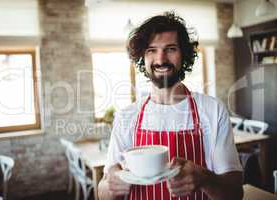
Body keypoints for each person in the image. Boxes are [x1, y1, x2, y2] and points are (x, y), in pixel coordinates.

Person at [98, 12, 243, 200]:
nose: (161, 59)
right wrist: (111, 186)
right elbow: (101, 192)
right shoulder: (127, 116)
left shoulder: (213, 110)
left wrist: (205, 179)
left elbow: (235, 194)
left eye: (171, 49)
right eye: (151, 50)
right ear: (143, 57)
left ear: (184, 55)